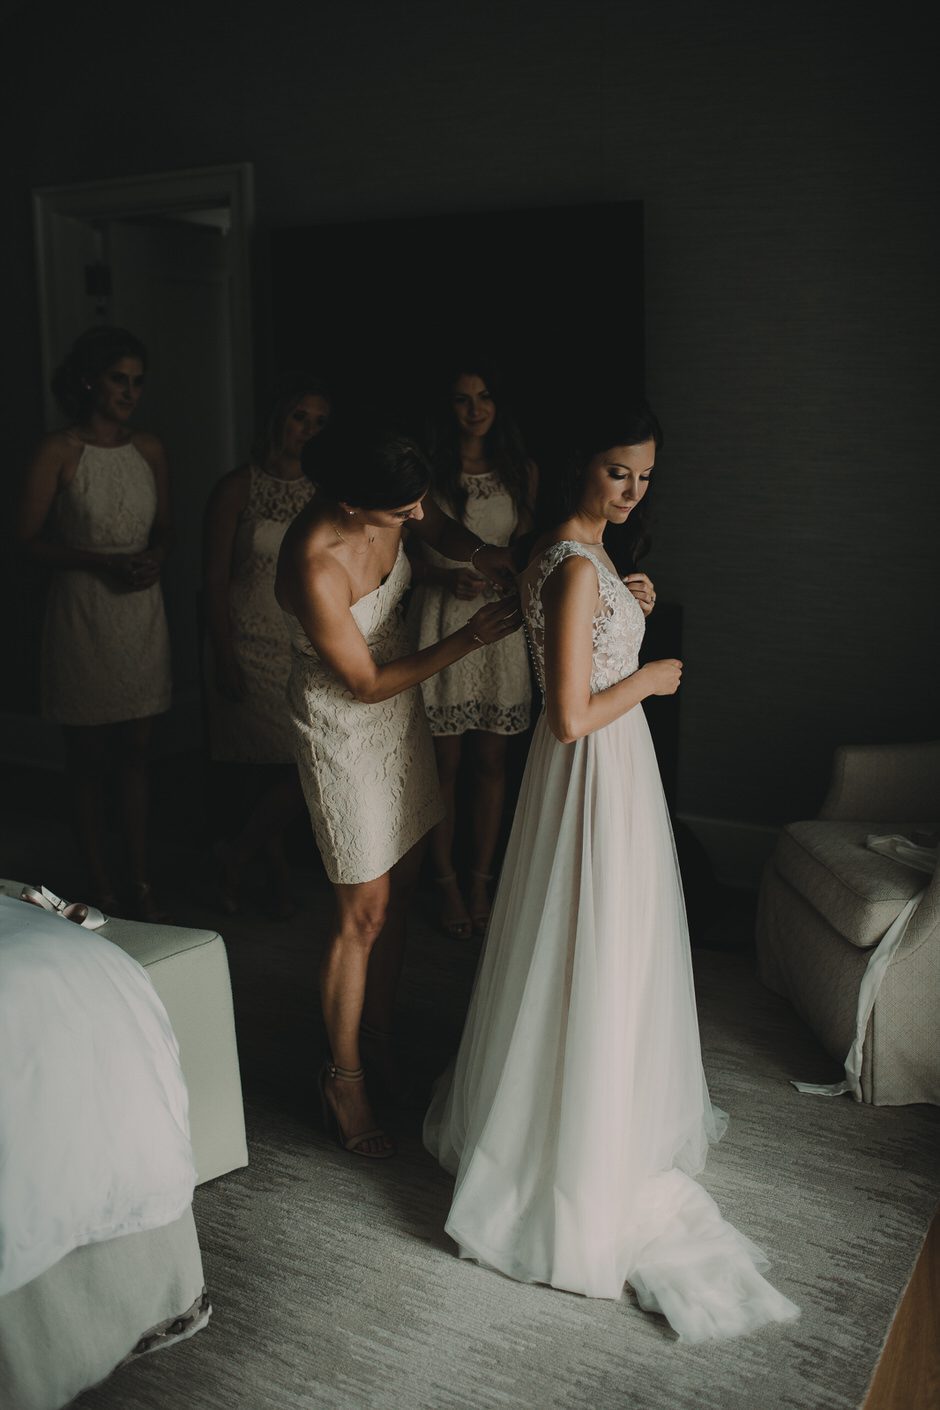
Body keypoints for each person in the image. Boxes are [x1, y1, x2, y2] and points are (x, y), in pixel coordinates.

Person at [424, 405, 799, 1342]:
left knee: (606, 940)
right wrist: (650, 675)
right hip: (594, 769)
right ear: (579, 466)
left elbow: (580, 620)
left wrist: (627, 598)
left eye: (644, 477)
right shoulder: (568, 561)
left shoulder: (576, 557)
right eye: (618, 472)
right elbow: (568, 716)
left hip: (606, 779)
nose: (632, 490)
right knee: (592, 937)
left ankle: (599, 1094)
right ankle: (575, 1129)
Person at [275, 427, 520, 1160]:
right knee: (364, 908)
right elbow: (364, 682)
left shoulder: (398, 502)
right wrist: (470, 640)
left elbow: (438, 522)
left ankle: (377, 1038)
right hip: (344, 725)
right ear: (351, 506)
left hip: (400, 714)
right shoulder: (313, 565)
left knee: (405, 883)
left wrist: (487, 554)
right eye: (399, 512)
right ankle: (343, 1075)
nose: (416, 519)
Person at [16, 326, 172, 920]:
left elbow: (167, 526)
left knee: (137, 747)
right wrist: (99, 563)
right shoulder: (58, 450)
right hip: (83, 609)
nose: (130, 392)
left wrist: (157, 553)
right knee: (86, 754)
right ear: (88, 381)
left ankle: (139, 877)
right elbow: (26, 542)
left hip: (140, 608)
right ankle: (98, 882)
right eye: (118, 379)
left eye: (137, 381)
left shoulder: (150, 448)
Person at [409, 364, 537, 939]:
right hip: (441, 622)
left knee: (491, 762)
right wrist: (443, 581)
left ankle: (482, 879)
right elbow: (401, 558)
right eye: (462, 399)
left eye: (484, 396)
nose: (475, 409)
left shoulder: (519, 472)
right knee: (443, 766)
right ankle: (444, 882)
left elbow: (529, 551)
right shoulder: (428, 475)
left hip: (501, 625)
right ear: (447, 408)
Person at [203, 374, 331, 915]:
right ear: (280, 417)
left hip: (299, 639)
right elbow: (211, 579)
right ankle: (273, 882)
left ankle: (236, 856)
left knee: (303, 765)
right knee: (261, 769)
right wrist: (223, 654)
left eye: (321, 423)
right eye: (302, 416)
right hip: (246, 635)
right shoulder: (238, 486)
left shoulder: (326, 493)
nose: (308, 430)